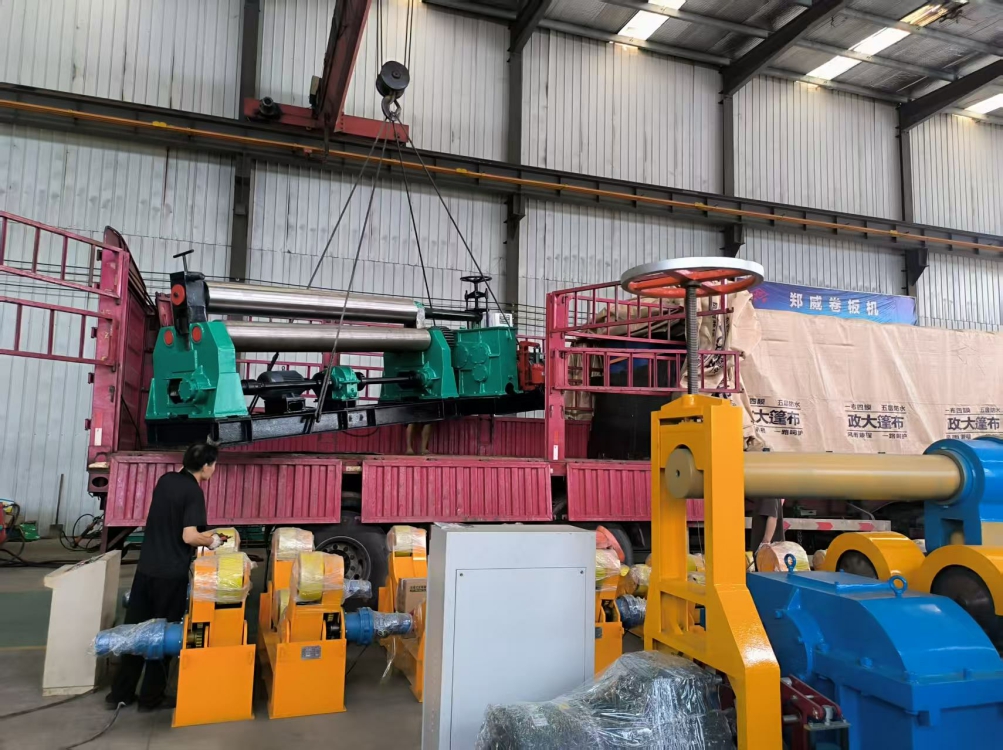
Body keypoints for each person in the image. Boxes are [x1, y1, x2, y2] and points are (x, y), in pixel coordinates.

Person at [105, 442, 222, 711]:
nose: (214, 469)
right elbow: (189, 536)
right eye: (214, 465)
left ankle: (120, 693)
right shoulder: (194, 492)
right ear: (206, 466)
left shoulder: (166, 480)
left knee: (135, 632)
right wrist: (212, 541)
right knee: (163, 635)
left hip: (146, 569)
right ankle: (151, 698)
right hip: (170, 575)